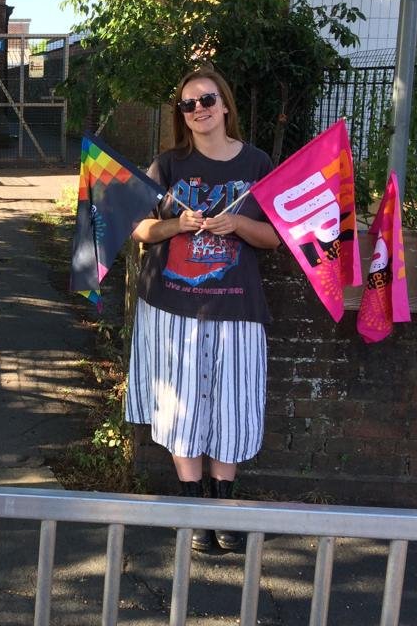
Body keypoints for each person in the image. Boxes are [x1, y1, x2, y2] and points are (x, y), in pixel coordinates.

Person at [125, 68, 280, 553]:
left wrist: (236, 223)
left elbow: (274, 237)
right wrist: (176, 226)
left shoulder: (257, 163)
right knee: (182, 405)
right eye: (188, 105)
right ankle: (193, 511)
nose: (199, 109)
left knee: (232, 405)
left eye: (207, 99)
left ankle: (223, 507)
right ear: (182, 116)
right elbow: (138, 228)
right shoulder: (168, 165)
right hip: (173, 306)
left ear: (225, 104)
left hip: (236, 304)